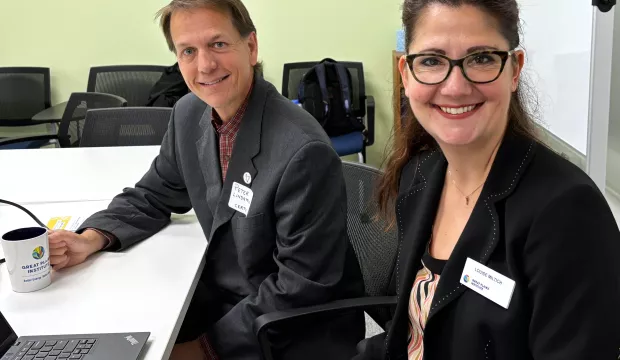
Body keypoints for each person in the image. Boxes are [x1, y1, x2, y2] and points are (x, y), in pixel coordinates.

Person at [47, 0, 365, 358]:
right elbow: (152, 194)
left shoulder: (302, 150)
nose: (205, 65)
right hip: (225, 300)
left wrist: (204, 349)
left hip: (290, 330)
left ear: (251, 46)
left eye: (218, 44)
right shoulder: (189, 113)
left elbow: (300, 285)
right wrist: (90, 239)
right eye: (188, 51)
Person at [354, 0, 620, 359]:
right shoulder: (419, 174)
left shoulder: (568, 213)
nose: (454, 86)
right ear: (406, 73)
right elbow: (410, 329)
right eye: (431, 61)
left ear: (514, 70)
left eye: (481, 58)